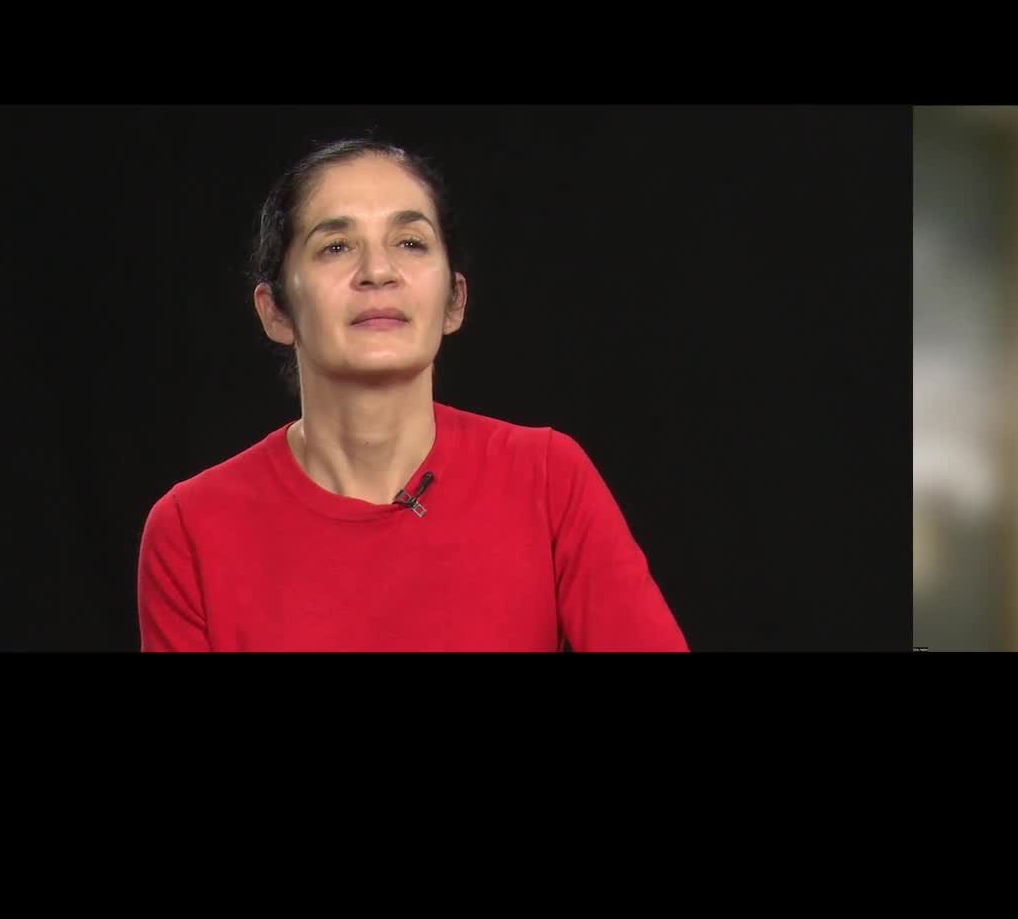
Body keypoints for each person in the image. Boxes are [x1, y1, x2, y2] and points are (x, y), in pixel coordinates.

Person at [137, 138, 689, 651]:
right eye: (336, 246)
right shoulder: (190, 528)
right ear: (276, 311)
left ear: (455, 301)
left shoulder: (548, 477)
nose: (378, 271)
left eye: (410, 243)